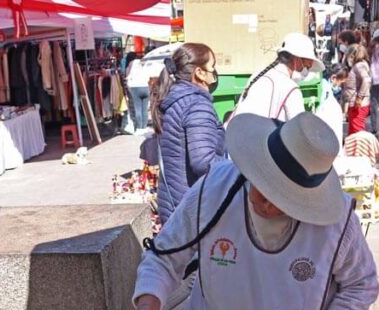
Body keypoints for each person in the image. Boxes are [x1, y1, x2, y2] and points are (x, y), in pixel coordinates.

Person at [120, 112, 379, 310]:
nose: (261, 200)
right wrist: (148, 305)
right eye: (260, 183)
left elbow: (362, 284)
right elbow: (165, 255)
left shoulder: (336, 222)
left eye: (280, 198)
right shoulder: (213, 190)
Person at [151, 43, 225, 226]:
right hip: (193, 206)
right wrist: (235, 169)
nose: (214, 72)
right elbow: (203, 161)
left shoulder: (173, 99)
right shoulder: (196, 105)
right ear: (199, 73)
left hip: (174, 201)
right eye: (212, 67)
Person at [234, 33, 323, 122]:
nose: (307, 71)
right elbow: (299, 129)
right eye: (307, 66)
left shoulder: (257, 75)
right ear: (296, 59)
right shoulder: (290, 88)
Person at [316, 65, 350, 147]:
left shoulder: (325, 86)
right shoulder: (324, 89)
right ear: (333, 78)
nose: (340, 87)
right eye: (340, 84)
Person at [343, 44, 372, 136]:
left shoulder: (359, 66)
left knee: (357, 132)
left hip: (358, 104)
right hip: (356, 104)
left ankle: (361, 150)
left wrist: (359, 97)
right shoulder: (360, 65)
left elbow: (367, 80)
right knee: (353, 132)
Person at [125, 52, 152, 132]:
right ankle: (144, 127)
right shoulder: (143, 63)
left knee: (138, 109)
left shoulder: (130, 64)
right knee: (144, 109)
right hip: (145, 87)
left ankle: (139, 128)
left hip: (135, 87)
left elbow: (127, 77)